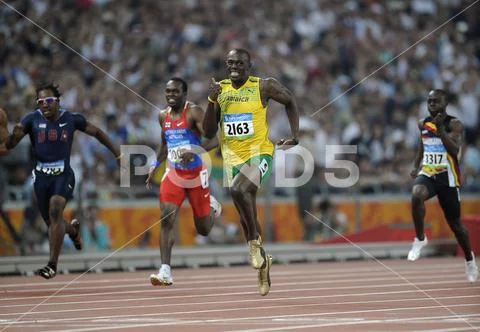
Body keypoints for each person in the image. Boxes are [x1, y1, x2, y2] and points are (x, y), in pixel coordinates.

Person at [203, 48, 299, 296]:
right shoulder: (221, 90)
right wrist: (211, 101)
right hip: (232, 157)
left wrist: (295, 136)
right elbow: (208, 131)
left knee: (238, 189)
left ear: (249, 65)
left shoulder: (264, 86)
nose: (234, 66)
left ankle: (254, 244)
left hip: (260, 153)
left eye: (239, 63)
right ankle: (263, 263)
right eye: (230, 63)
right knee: (247, 213)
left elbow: (289, 100)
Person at [5, 83, 121, 279]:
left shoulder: (71, 119)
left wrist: (117, 153)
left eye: (49, 101)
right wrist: (12, 138)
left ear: (57, 102)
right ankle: (73, 231)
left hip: (63, 175)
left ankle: (52, 265)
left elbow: (98, 133)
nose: (45, 105)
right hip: (41, 178)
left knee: (56, 208)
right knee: (53, 222)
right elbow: (9, 145)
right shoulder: (31, 120)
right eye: (40, 101)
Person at [145, 77, 221, 286]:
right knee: (166, 217)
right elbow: (164, 145)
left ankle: (212, 208)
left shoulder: (194, 112)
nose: (170, 96)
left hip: (196, 175)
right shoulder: (162, 116)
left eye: (175, 92)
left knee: (203, 229)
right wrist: (154, 165)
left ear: (184, 94)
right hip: (174, 175)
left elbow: (215, 138)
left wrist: (194, 150)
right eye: (168, 92)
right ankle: (165, 270)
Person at [408, 89, 478, 283]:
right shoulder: (422, 123)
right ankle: (420, 239)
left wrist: (440, 131)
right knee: (416, 194)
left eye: (435, 101)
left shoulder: (455, 124)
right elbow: (423, 145)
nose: (431, 104)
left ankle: (469, 260)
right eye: (429, 101)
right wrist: (416, 165)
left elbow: (455, 151)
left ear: (445, 104)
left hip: (448, 178)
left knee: (456, 225)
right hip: (429, 173)